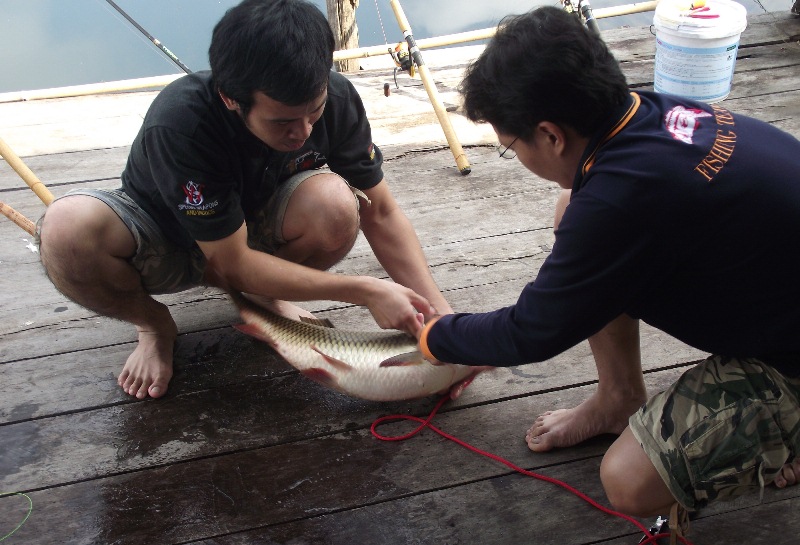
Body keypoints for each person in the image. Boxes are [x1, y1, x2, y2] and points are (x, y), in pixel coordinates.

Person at [416, 6, 800, 518]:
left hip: (789, 359)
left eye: (510, 145)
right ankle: (618, 398)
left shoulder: (625, 199)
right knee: (575, 208)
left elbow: (533, 332)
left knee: (630, 482)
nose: (517, 155)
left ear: (551, 136)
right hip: (778, 301)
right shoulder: (647, 113)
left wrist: (434, 338)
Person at [36, 0, 453, 400]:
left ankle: (266, 297)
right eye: (283, 121)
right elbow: (230, 263)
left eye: (314, 111)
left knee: (338, 203)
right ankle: (153, 325)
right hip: (172, 241)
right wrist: (366, 291)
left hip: (250, 234)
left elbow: (380, 212)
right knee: (65, 228)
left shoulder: (337, 100)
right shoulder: (182, 122)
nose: (303, 131)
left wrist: (440, 317)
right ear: (230, 99)